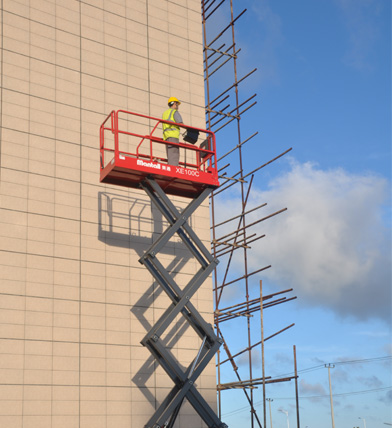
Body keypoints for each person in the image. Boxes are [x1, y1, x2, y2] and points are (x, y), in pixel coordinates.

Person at [162, 97, 183, 166]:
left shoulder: (165, 113)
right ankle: (173, 168)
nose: (178, 106)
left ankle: (171, 166)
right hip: (173, 136)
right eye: (177, 104)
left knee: (170, 155)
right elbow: (180, 123)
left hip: (166, 137)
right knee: (174, 154)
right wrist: (190, 129)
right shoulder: (174, 112)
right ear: (174, 103)